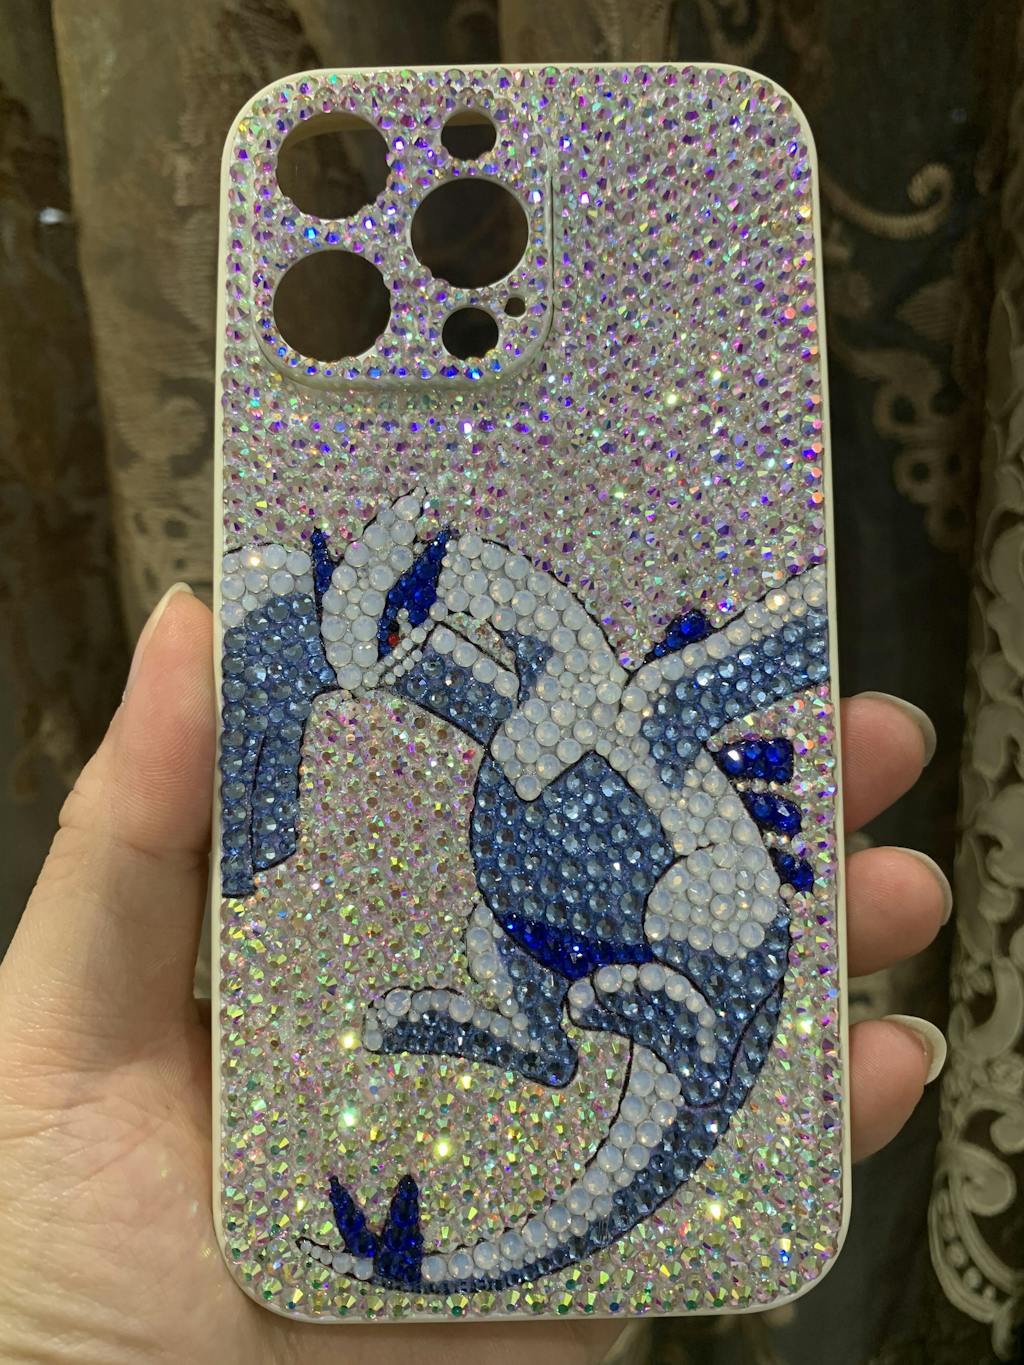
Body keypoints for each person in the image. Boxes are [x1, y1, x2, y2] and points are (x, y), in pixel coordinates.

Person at [0, 585, 949, 1363]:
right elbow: (450, 669)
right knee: (503, 935)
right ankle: (534, 1042)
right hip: (555, 933)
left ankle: (670, 1035)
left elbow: (776, 644)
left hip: (687, 959)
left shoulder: (649, 713)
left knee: (690, 913)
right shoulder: (528, 702)